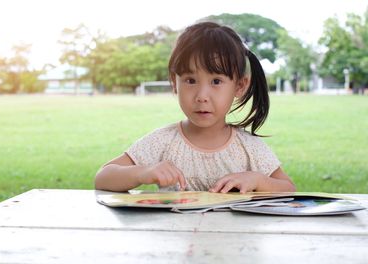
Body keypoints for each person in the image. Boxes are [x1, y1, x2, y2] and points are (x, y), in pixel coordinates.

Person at [94, 22, 296, 194]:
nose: (201, 96)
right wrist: (142, 172)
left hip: (235, 240)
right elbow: (103, 177)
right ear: (175, 83)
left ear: (239, 86)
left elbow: (289, 189)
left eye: (216, 81)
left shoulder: (249, 148)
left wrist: (259, 181)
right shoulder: (162, 142)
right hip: (175, 238)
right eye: (190, 80)